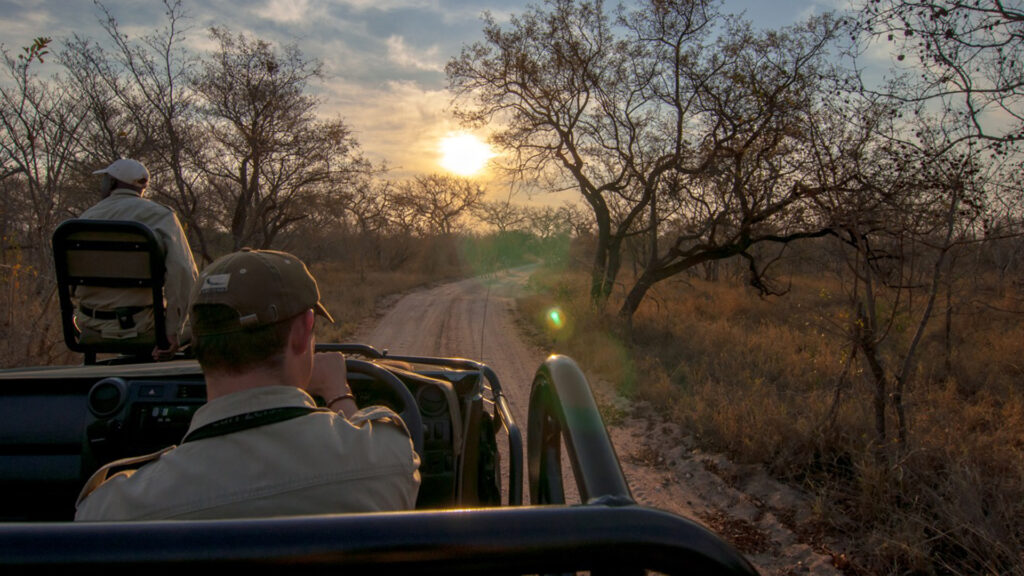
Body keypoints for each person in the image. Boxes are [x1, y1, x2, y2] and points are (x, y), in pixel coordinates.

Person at [74, 248, 420, 521]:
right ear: (302, 333)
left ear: (197, 345)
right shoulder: (386, 459)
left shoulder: (110, 508)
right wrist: (338, 394)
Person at [74, 158, 198, 360]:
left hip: (89, 324)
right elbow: (183, 272)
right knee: (202, 325)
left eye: (105, 179)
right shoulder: (161, 216)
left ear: (112, 183)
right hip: (143, 326)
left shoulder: (85, 218)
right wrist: (172, 331)